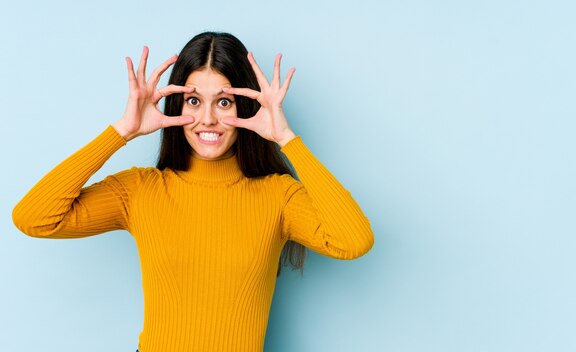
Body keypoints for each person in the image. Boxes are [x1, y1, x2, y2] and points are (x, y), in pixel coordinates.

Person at [12, 31, 374, 351]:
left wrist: (287, 140)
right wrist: (121, 131)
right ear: (177, 105)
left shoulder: (278, 196)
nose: (208, 119)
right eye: (194, 100)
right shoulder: (140, 190)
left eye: (224, 101)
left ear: (244, 107)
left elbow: (353, 241)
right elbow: (34, 219)